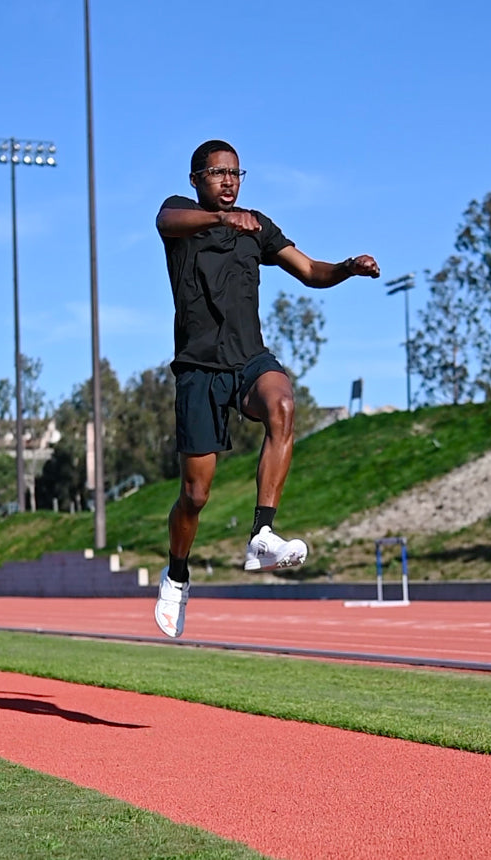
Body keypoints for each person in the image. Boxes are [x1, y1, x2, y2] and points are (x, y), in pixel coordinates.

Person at [154, 140, 380, 638]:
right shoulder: (181, 216)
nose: (229, 181)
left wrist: (346, 268)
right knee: (194, 496)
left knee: (282, 402)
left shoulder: (257, 226)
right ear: (196, 179)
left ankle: (262, 535)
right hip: (198, 368)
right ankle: (177, 572)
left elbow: (309, 270)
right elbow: (167, 220)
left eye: (236, 173)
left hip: (248, 360)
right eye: (217, 173)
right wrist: (219, 221)